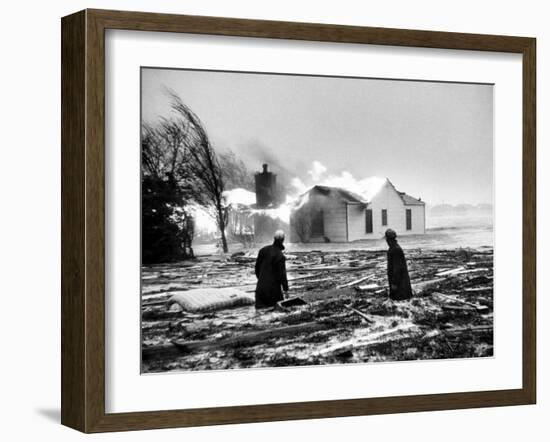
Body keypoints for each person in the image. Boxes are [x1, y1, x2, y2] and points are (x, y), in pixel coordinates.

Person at [254, 230, 289, 308]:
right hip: (273, 292)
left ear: (274, 238)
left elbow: (257, 269)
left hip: (260, 290)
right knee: (274, 315)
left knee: (259, 315)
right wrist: (285, 289)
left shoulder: (263, 250)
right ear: (283, 240)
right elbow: (282, 275)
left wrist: (261, 280)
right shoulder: (280, 256)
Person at [385, 228, 413, 301]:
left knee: (400, 299)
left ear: (389, 239)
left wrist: (394, 283)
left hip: (399, 281)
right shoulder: (393, 249)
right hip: (397, 280)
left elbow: (397, 268)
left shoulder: (395, 249)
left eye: (387, 239)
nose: (386, 241)